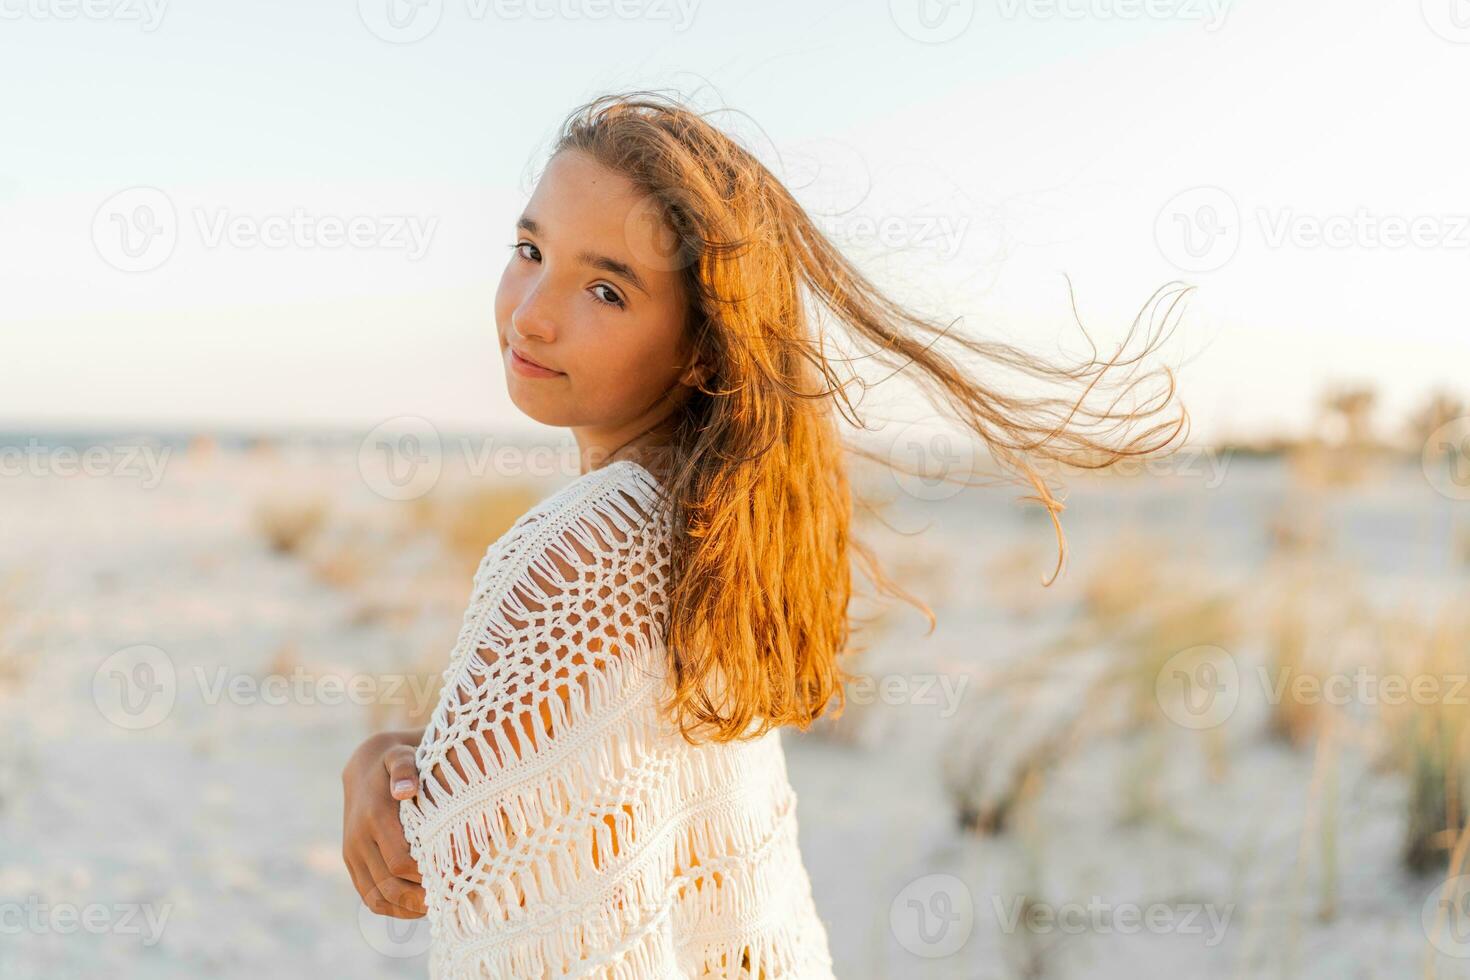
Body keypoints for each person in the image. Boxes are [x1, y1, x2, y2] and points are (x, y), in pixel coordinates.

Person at [341, 90, 1187, 978]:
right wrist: (400, 762)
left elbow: (450, 875)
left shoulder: (583, 547)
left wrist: (376, 772)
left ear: (703, 343)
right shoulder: (711, 537)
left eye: (605, 288)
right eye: (528, 250)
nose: (530, 314)